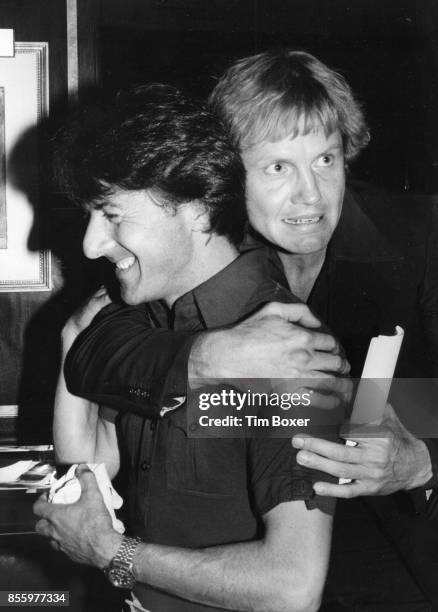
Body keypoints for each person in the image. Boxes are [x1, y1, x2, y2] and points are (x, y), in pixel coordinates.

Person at [62, 51, 438, 609]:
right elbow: (94, 345)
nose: (310, 194)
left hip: (403, 565)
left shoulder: (420, 241)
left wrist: (424, 461)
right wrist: (207, 357)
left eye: (326, 159)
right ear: (223, 176)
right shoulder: (199, 258)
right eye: (278, 167)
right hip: (248, 571)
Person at [33, 84, 339, 612]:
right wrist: (71, 337)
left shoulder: (288, 354)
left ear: (196, 208)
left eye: (111, 213)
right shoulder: (143, 315)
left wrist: (111, 551)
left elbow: (292, 587)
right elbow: (92, 463)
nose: (90, 244)